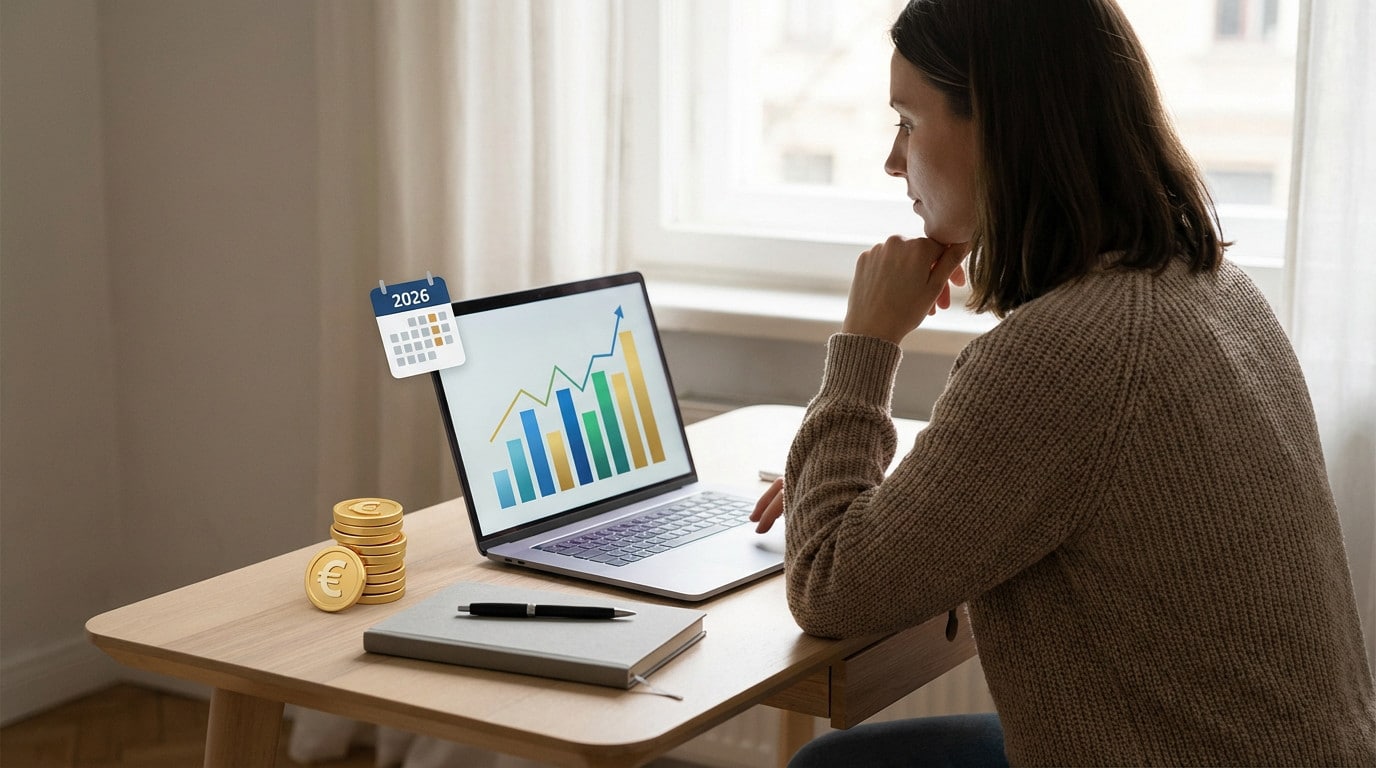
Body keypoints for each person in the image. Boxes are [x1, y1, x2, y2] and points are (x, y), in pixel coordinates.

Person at [749, 0, 1376, 765]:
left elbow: (828, 589)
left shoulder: (1064, 353)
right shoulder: (1212, 282)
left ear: (1003, 130)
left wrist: (866, 343)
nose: (891, 161)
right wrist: (853, 497)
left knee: (828, 765)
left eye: (908, 123)